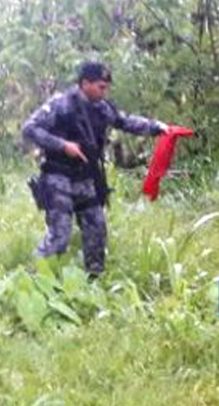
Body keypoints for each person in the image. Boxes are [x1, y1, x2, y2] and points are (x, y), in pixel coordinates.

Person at [22, 61, 168, 277]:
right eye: (101, 87)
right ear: (85, 84)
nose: (104, 91)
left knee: (96, 229)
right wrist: (63, 145)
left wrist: (156, 127)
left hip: (85, 176)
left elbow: (125, 122)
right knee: (60, 235)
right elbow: (30, 129)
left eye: (106, 87)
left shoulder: (102, 108)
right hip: (57, 174)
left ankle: (95, 280)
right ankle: (33, 280)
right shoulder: (61, 104)